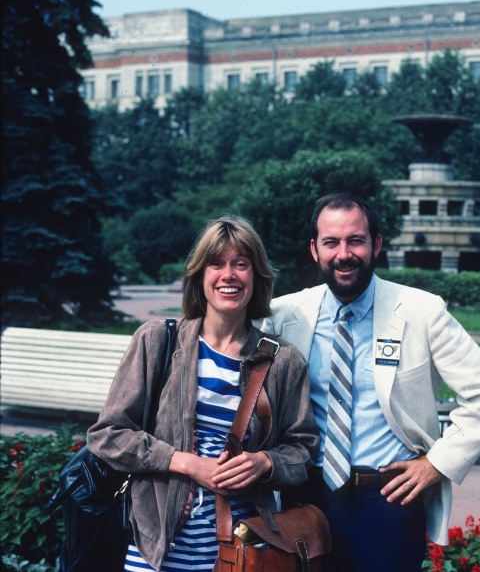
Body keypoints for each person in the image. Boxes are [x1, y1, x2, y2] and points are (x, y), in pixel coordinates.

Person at [261, 193, 480, 571]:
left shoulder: (421, 311)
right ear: (314, 250)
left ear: (376, 244)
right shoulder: (284, 316)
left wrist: (437, 463)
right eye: (331, 242)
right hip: (305, 497)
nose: (344, 253)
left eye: (355, 240)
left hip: (389, 500)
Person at [88, 216, 320, 571]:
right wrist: (187, 463)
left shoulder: (282, 360)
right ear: (200, 275)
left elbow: (303, 450)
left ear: (256, 277)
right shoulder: (158, 340)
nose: (229, 275)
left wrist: (265, 462)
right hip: (155, 547)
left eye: (241, 264)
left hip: (242, 551)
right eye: (217, 263)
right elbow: (108, 435)